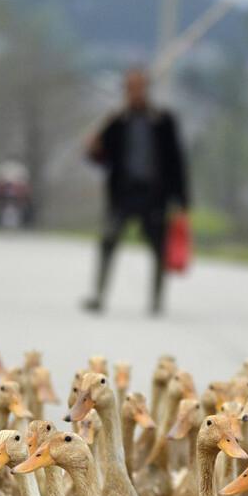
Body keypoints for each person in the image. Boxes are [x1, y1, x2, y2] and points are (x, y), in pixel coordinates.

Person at [84, 67, 189, 316]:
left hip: (154, 195)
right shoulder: (116, 122)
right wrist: (93, 147)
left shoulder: (163, 121)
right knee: (109, 240)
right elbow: (100, 159)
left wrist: (181, 200)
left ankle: (156, 301)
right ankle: (99, 296)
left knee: (158, 248)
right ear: (125, 91)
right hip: (122, 193)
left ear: (147, 90)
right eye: (131, 88)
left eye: (140, 87)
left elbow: (177, 162)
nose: (136, 92)